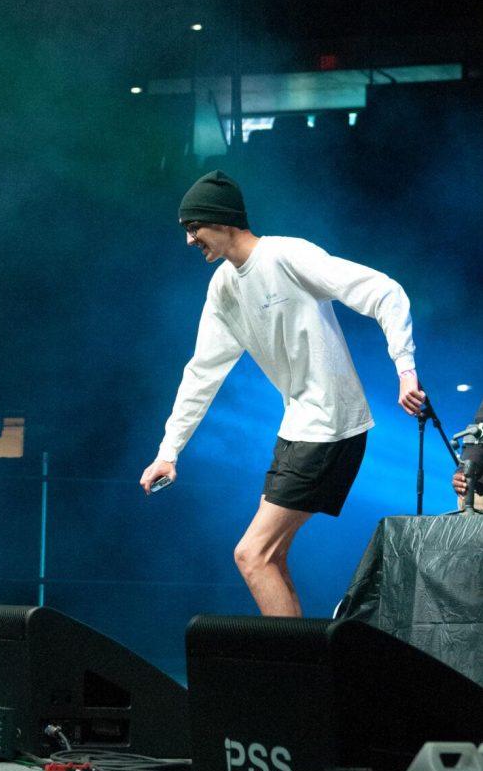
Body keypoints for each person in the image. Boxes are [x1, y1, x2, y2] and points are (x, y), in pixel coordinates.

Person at [139, 170, 425, 617]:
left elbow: (384, 292)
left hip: (330, 426)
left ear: (224, 221)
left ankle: (295, 675)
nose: (190, 240)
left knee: (251, 555)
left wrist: (404, 369)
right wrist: (168, 452)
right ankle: (305, 671)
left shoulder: (286, 256)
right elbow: (201, 373)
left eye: (193, 227)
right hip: (298, 427)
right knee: (268, 558)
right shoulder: (224, 288)